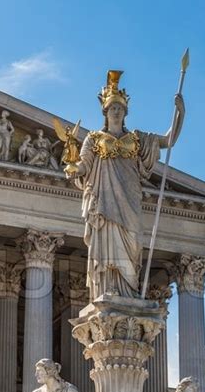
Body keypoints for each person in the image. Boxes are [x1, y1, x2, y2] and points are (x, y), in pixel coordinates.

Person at [69, 70, 185, 299]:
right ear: (105, 111)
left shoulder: (137, 139)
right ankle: (108, 288)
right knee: (106, 245)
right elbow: (84, 165)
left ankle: (128, 292)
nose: (116, 112)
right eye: (112, 108)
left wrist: (180, 113)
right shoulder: (93, 139)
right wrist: (74, 168)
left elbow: (168, 140)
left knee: (132, 244)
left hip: (130, 201)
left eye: (120, 109)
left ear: (125, 112)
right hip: (104, 203)